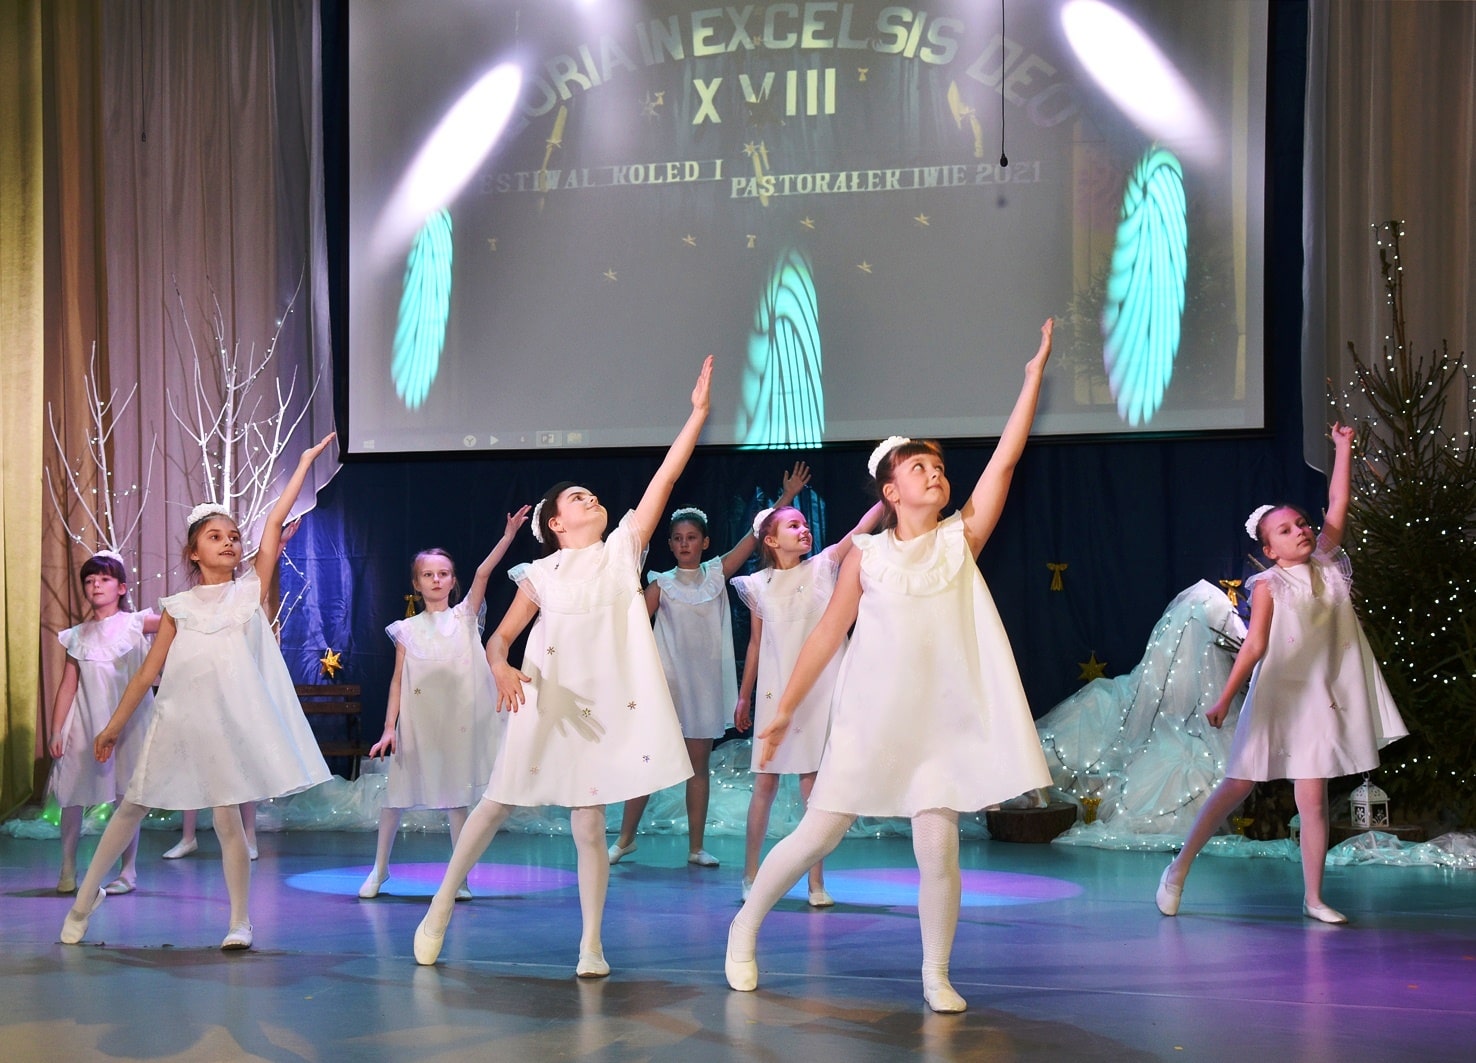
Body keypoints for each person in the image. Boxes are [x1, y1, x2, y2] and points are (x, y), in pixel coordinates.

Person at [725, 321, 1055, 1014]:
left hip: (939, 721)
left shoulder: (960, 538)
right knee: (819, 831)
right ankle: (745, 926)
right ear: (891, 490)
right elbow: (825, 635)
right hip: (872, 719)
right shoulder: (867, 555)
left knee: (938, 847)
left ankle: (936, 972)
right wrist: (782, 710)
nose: (935, 474)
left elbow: (1004, 463)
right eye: (919, 468)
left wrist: (1031, 382)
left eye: (939, 468)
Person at [412, 357, 713, 978]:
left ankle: (591, 943)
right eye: (578, 497)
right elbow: (499, 640)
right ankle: (439, 907)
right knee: (497, 802)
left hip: (601, 707)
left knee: (589, 824)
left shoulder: (623, 549)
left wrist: (698, 415)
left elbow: (666, 475)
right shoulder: (542, 573)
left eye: (593, 494)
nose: (591, 497)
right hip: (546, 698)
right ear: (554, 523)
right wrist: (500, 668)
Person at [60, 433, 337, 950]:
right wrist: (113, 727)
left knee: (228, 821)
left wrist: (302, 464)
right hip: (175, 722)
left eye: (233, 535)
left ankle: (240, 921)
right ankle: (83, 901)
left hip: (222, 728)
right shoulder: (177, 607)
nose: (228, 542)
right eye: (215, 536)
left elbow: (273, 522)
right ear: (194, 551)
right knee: (131, 808)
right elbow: (145, 675)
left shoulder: (248, 591)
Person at [1155, 423, 1407, 925]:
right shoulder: (1269, 584)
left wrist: (1342, 448)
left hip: (1318, 698)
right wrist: (1225, 697)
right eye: (1285, 530)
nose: (1301, 531)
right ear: (1270, 549)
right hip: (1279, 696)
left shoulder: (1328, 564)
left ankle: (1313, 897)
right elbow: (1255, 645)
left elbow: (1338, 502)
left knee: (1312, 800)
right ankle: (1178, 868)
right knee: (1238, 785)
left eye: (1301, 523)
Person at [609, 462, 810, 869]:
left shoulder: (717, 573)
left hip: (702, 687)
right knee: (648, 763)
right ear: (670, 544)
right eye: (678, 539)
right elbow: (632, 629)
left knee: (697, 766)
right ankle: (626, 839)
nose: (685, 544)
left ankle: (696, 847)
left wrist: (786, 497)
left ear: (704, 542)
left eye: (691, 538)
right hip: (667, 684)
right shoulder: (661, 583)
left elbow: (757, 535)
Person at [359, 509, 530, 900]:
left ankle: (459, 878)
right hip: (418, 725)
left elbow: (483, 573)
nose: (436, 580)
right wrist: (388, 728)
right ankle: (379, 869)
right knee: (396, 799)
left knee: (457, 801)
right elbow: (397, 681)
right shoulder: (406, 630)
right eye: (428, 574)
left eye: (444, 573)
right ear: (416, 583)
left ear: (453, 581)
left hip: (456, 724)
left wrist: (507, 537)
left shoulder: (465, 617)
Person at [730, 498, 882, 905]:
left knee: (815, 784)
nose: (804, 530)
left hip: (819, 687)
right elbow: (756, 644)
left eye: (804, 524)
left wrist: (888, 494)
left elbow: (860, 529)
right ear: (771, 540)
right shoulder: (758, 584)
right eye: (793, 526)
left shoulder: (823, 566)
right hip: (776, 690)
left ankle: (816, 882)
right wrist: (744, 696)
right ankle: (750, 874)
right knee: (765, 781)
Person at [47, 551, 159, 896]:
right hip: (85, 719)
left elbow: (180, 622)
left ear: (121, 587)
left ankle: (127, 871)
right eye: (90, 580)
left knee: (127, 796)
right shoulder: (77, 635)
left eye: (105, 579)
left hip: (129, 722)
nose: (96, 585)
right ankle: (68, 867)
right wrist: (56, 729)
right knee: (72, 794)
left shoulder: (137, 623)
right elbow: (68, 685)